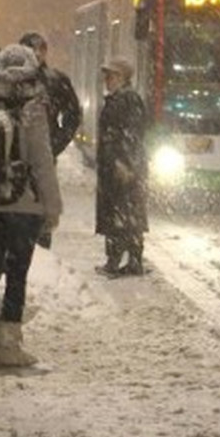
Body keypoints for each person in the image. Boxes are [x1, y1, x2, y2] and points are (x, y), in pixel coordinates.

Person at [0, 44, 62, 367]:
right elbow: (42, 162)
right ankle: (10, 346)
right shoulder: (32, 109)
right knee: (16, 275)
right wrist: (52, 207)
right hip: (23, 204)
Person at [18, 32, 81, 249]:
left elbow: (73, 115)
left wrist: (55, 143)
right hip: (21, 155)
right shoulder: (14, 80)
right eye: (32, 49)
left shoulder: (56, 81)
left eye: (41, 49)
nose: (37, 54)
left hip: (42, 152)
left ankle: (40, 249)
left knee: (41, 202)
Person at [94, 56, 149, 277]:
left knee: (119, 213)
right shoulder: (123, 99)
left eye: (112, 75)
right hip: (121, 166)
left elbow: (132, 135)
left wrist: (124, 163)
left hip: (122, 168)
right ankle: (133, 260)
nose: (107, 79)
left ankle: (115, 261)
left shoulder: (126, 100)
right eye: (106, 75)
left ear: (123, 78)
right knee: (127, 213)